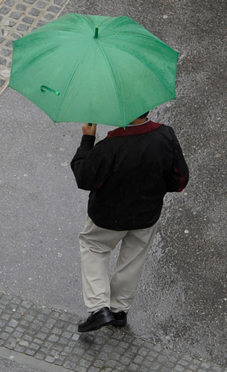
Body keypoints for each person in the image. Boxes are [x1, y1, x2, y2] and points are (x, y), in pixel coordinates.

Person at [70, 112, 189, 333]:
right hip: (146, 214)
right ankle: (118, 310)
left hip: (107, 217)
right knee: (133, 258)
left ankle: (98, 308)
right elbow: (180, 180)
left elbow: (85, 178)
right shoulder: (166, 136)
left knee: (94, 247)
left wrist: (87, 139)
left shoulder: (109, 146)